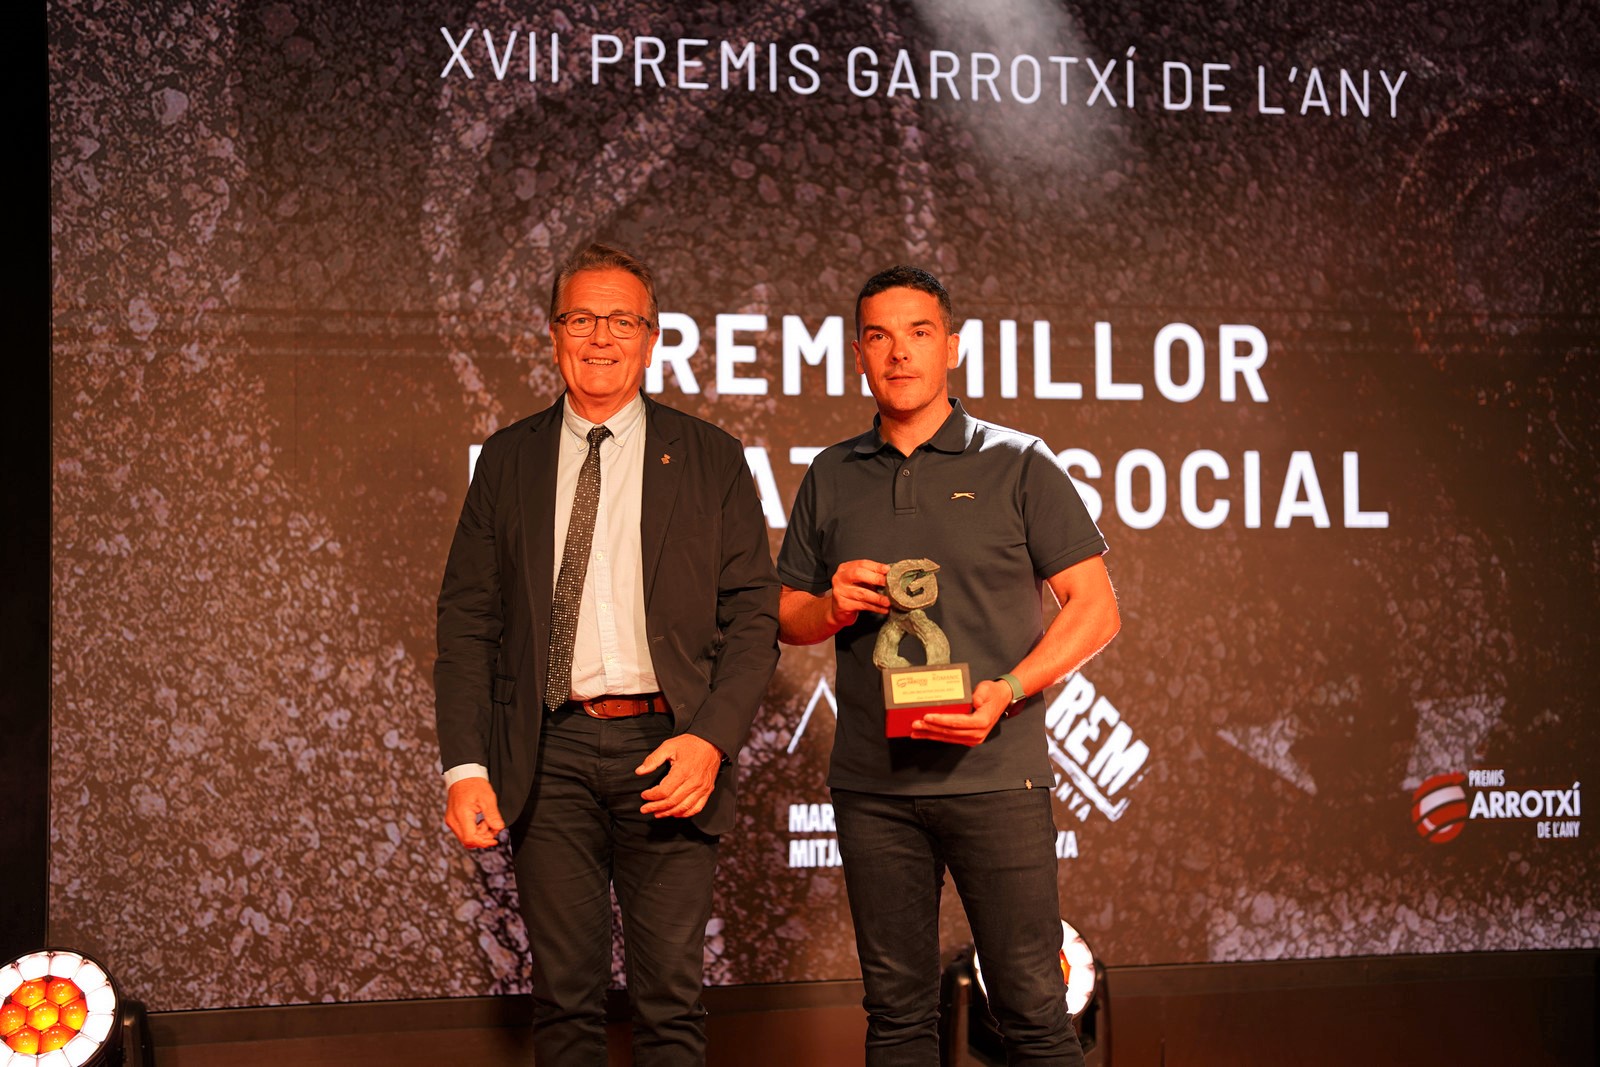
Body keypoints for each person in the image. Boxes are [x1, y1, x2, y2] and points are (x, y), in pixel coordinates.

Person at [434, 243, 779, 1066]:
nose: (600, 338)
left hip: (669, 749)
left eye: (621, 320)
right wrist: (465, 766)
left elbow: (753, 616)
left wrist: (711, 739)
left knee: (669, 1004)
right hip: (546, 754)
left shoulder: (711, 457)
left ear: (652, 338)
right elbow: (467, 620)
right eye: (581, 318)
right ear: (553, 334)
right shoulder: (508, 459)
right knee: (564, 1004)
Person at [776, 266, 1120, 1066]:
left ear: (953, 348)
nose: (900, 352)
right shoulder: (831, 472)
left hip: (996, 775)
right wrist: (831, 605)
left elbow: (1097, 608)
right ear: (858, 354)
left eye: (919, 333)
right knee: (896, 1017)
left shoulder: (1020, 462)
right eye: (880, 336)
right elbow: (785, 614)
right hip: (874, 787)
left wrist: (1008, 689)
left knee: (1033, 1008)